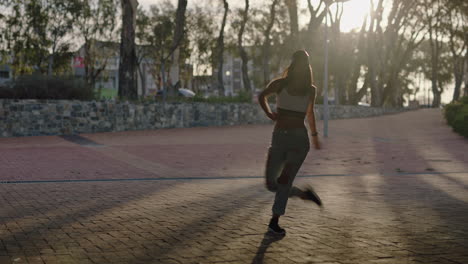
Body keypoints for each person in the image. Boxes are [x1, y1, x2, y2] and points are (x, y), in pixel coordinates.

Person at [258, 50, 322, 235]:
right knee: (271, 183)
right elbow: (262, 95)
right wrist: (269, 114)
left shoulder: (311, 89)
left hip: (299, 142)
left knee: (284, 180)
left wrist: (315, 135)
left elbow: (310, 113)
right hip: (279, 137)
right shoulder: (280, 84)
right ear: (294, 65)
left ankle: (274, 220)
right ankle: (304, 194)